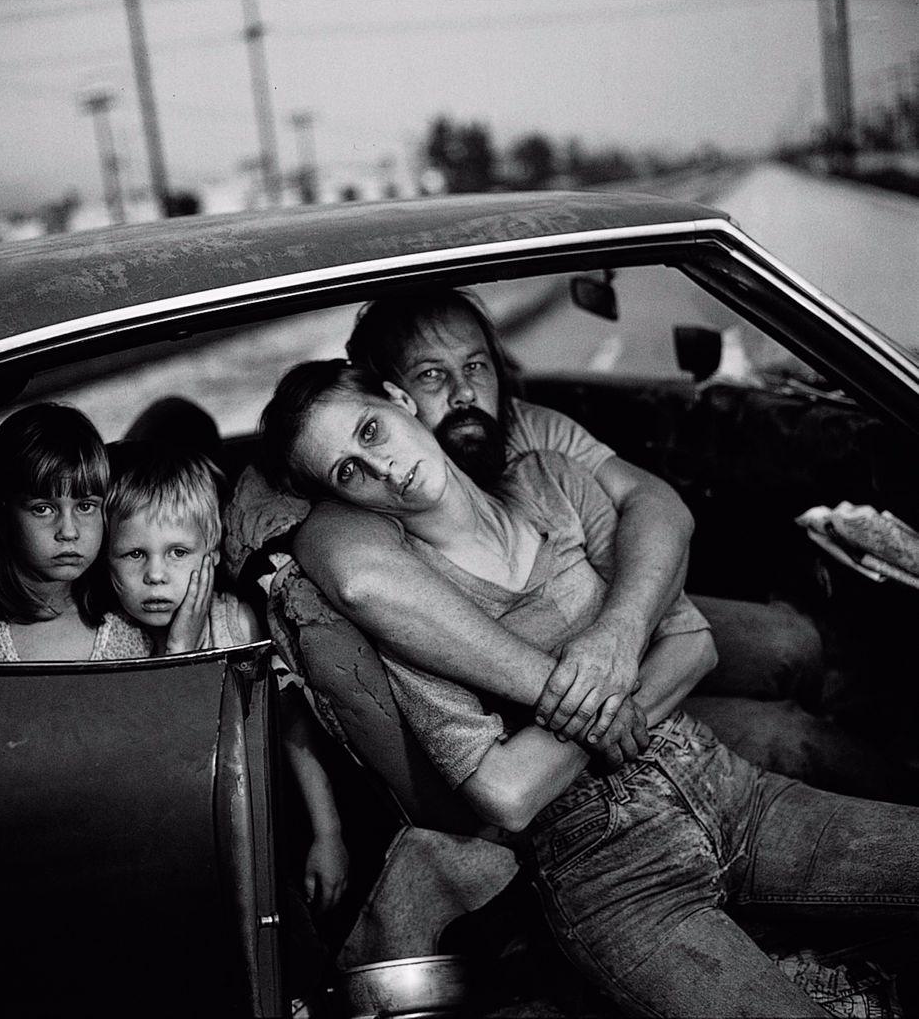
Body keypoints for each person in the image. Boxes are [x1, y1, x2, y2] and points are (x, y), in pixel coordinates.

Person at [259, 359, 919, 1018]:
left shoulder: (551, 480)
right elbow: (506, 793)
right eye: (348, 472)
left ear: (402, 400)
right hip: (610, 871)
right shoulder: (408, 611)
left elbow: (695, 645)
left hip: (731, 786)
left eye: (371, 431)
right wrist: (608, 711)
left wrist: (608, 658)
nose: (380, 468)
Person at [292, 289, 824, 752]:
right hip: (562, 716)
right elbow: (350, 569)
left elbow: (657, 504)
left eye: (476, 367)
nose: (465, 393)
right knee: (785, 737)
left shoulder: (528, 429)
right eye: (432, 375)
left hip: (628, 625)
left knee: (792, 644)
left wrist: (621, 631)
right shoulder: (372, 484)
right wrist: (587, 698)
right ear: (395, 395)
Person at [104, 442, 349, 919]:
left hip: (254, 836)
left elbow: (292, 729)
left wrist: (329, 832)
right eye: (134, 553)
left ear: (212, 555)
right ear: (106, 560)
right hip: (158, 852)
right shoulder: (109, 639)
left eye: (178, 552)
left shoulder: (236, 624)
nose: (155, 574)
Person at [0, 403, 150, 663]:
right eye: (43, 509)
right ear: (0, 514)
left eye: (86, 506)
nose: (68, 531)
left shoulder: (131, 614)